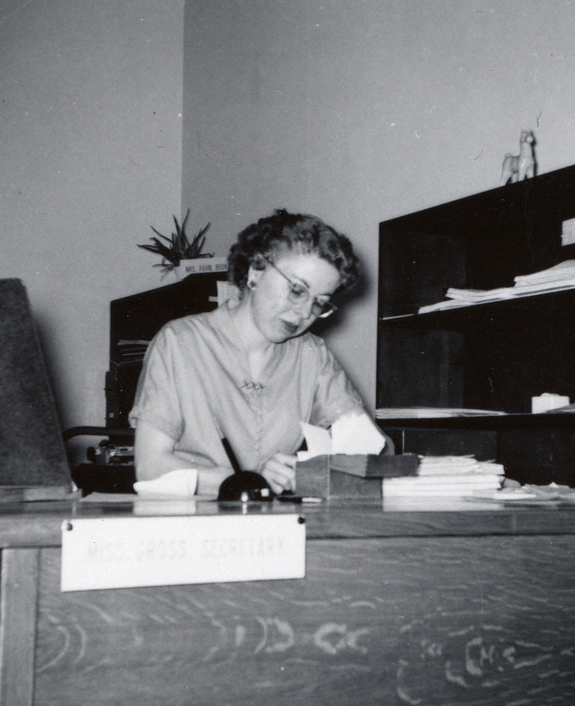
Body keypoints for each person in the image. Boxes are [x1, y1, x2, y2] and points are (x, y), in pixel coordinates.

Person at [130, 208, 388, 496]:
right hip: (190, 519)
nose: (304, 312)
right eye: (296, 290)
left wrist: (321, 468)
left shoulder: (312, 355)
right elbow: (150, 466)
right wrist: (250, 481)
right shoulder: (179, 341)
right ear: (256, 272)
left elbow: (377, 449)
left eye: (319, 303)